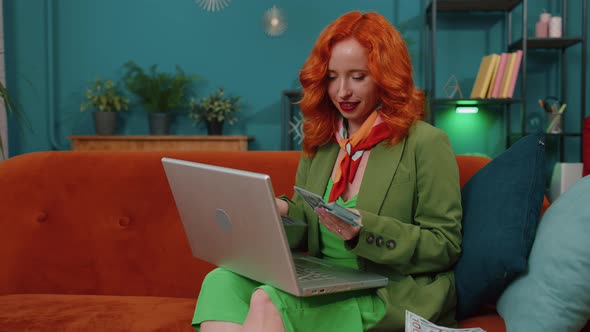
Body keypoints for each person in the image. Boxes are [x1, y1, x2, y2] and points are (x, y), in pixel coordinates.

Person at [192, 11, 462, 332]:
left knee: (267, 301)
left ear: (386, 76)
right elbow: (306, 226)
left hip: (386, 289)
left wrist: (364, 230)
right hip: (324, 277)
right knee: (221, 281)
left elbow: (444, 245)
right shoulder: (322, 142)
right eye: (333, 76)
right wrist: (275, 210)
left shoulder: (426, 142)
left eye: (358, 77)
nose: (342, 91)